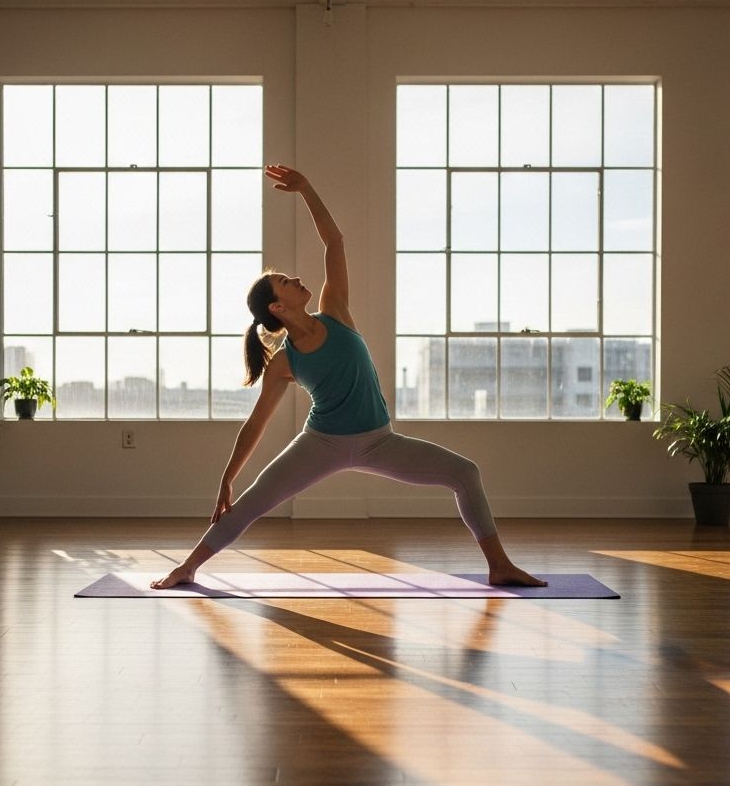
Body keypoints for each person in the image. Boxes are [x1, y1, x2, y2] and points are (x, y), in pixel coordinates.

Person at [151, 165, 546, 589]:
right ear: (277, 309)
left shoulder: (335, 310)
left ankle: (499, 565)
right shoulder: (285, 363)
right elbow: (255, 424)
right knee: (250, 504)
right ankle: (186, 567)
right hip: (320, 444)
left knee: (465, 473)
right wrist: (227, 479)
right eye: (285, 282)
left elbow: (334, 241)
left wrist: (307, 188)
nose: (297, 279)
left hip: (380, 441)